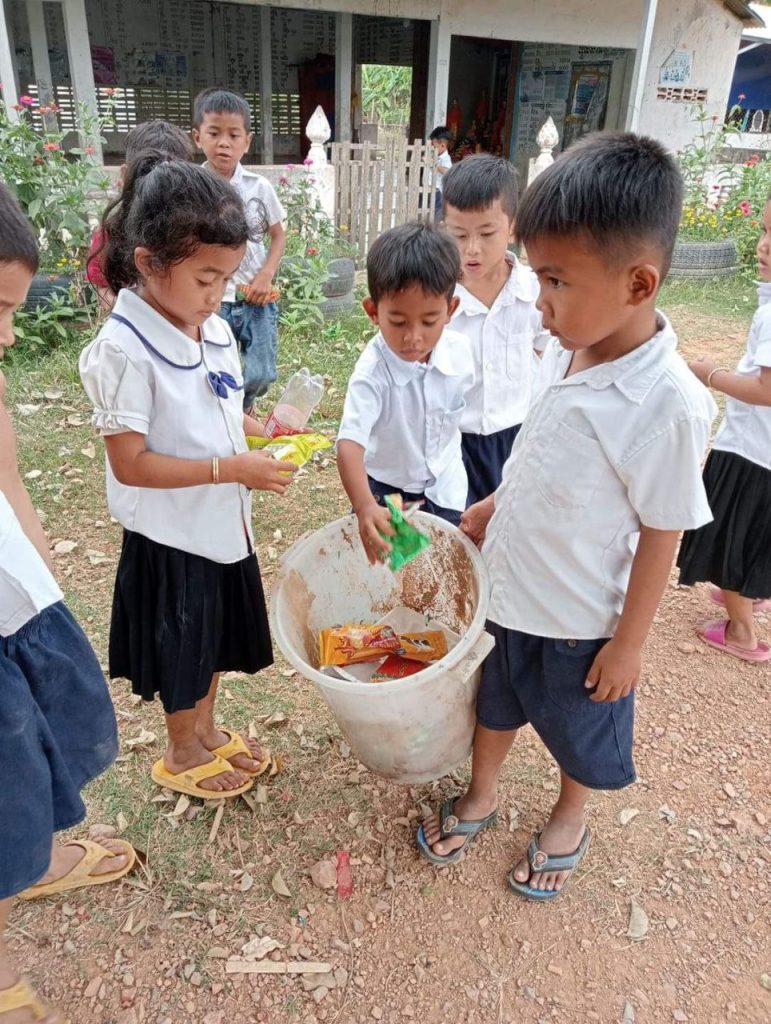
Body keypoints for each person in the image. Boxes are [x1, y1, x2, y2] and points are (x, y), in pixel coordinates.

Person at [418, 133, 717, 900]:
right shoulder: (571, 343)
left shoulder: (667, 404)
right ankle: (482, 794)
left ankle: (568, 817)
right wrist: (489, 505)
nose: (539, 301)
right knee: (497, 701)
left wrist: (627, 646)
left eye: (554, 281)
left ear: (638, 283)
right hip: (512, 589)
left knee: (578, 730)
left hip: (581, 618)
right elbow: (539, 451)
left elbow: (663, 531)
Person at [79, 159, 297, 801]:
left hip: (222, 525)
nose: (217, 293)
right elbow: (131, 462)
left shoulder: (214, 328)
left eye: (226, 278)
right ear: (148, 264)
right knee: (182, 647)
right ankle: (180, 749)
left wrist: (261, 431)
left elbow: (224, 407)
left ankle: (205, 729)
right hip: (172, 538)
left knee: (213, 640)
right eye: (206, 278)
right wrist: (229, 468)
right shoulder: (122, 351)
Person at [0, 183, 135, 1024]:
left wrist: (51, 597)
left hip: (15, 613)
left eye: (11, 309)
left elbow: (10, 483)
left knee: (31, 759)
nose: (8, 332)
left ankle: (36, 860)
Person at [337, 222, 474, 562]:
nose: (413, 337)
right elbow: (349, 446)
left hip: (447, 488)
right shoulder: (372, 374)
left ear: (451, 310)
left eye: (429, 321)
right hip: (390, 495)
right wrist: (366, 505)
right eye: (398, 322)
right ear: (373, 312)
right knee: (402, 574)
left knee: (446, 565)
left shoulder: (461, 353)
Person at [677, 194, 771, 663]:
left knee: (732, 541)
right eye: (767, 231)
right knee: (758, 536)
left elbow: (765, 389)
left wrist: (709, 375)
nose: (765, 246)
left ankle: (742, 631)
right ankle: (754, 595)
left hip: (752, 454)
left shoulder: (770, 314)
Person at [442, 154, 551, 506]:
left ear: (512, 227)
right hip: (453, 442)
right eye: (458, 234)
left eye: (487, 233)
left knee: (509, 534)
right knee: (453, 535)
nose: (471, 248)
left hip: (517, 441)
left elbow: (546, 350)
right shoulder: (438, 301)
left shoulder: (534, 292)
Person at [193, 88, 286, 413]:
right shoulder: (192, 189)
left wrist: (266, 274)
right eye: (214, 133)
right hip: (211, 301)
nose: (224, 143)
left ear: (247, 141)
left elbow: (278, 235)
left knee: (262, 372)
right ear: (197, 137)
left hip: (255, 298)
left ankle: (242, 406)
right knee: (214, 365)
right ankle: (226, 415)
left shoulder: (259, 188)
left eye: (234, 135)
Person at [87, 119, 194, 310]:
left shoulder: (194, 233)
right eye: (148, 173)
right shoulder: (110, 235)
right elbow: (104, 292)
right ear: (125, 175)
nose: (157, 187)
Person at [429, 126, 453, 222]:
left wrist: (434, 164)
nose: (432, 147)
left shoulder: (446, 159)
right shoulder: (434, 155)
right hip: (430, 189)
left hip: (438, 192)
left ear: (442, 145)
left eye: (434, 146)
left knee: (436, 216)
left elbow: (447, 171)